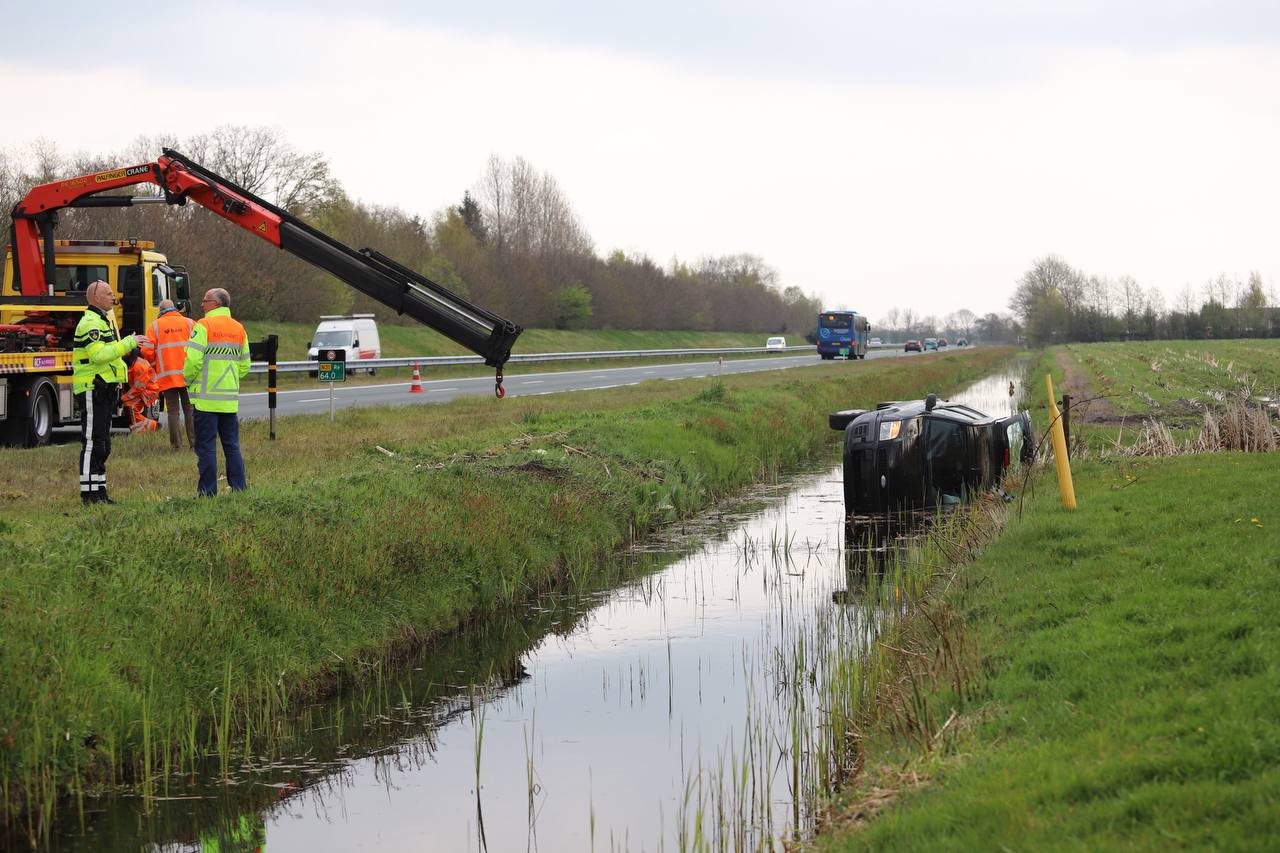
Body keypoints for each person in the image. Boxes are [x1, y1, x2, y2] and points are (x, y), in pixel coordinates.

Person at [72, 281, 150, 503]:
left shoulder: (102, 320)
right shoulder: (90, 323)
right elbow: (98, 355)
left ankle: (100, 493)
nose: (113, 297)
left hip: (104, 389)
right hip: (93, 388)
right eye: (108, 294)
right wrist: (128, 342)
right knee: (92, 443)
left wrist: (129, 353)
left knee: (103, 444)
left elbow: (111, 356)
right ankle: (89, 496)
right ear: (96, 298)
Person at [184, 288, 250, 496]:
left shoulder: (203, 326)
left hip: (205, 400)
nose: (201, 304)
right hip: (228, 400)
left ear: (216, 304)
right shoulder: (239, 329)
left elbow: (193, 360)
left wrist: (187, 380)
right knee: (232, 446)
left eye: (205, 300)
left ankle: (207, 492)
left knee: (206, 448)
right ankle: (239, 489)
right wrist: (229, 380)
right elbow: (245, 365)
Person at [140, 298, 196, 450]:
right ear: (175, 309)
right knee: (189, 409)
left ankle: (177, 446)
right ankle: (194, 444)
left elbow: (147, 351)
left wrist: (154, 366)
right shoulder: (190, 323)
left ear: (160, 311)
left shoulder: (155, 326)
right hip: (189, 375)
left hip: (167, 376)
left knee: (173, 411)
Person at [121, 353, 160, 433]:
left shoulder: (138, 366)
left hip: (149, 391)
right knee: (128, 407)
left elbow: (138, 388)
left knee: (131, 406)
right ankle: (143, 428)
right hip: (144, 390)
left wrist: (123, 398)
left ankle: (150, 427)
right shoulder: (133, 363)